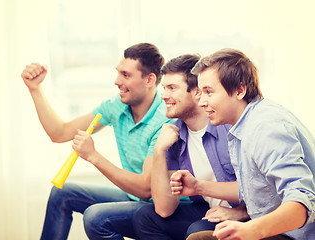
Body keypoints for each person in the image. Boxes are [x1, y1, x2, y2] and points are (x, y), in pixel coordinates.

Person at [21, 43, 173, 240]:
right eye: (118, 73)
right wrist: (35, 89)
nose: (117, 81)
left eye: (126, 75)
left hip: (161, 207)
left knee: (95, 217)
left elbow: (146, 189)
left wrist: (93, 156)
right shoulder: (117, 106)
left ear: (149, 79)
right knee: (61, 193)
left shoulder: (164, 118)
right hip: (133, 198)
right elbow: (60, 133)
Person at [171, 48, 315, 240]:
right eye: (200, 92)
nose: (202, 101)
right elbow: (257, 188)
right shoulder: (243, 125)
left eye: (209, 92)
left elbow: (303, 200)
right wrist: (198, 187)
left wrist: (252, 230)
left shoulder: (266, 127)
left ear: (240, 90)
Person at [133, 54, 249, 240]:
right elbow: (164, 208)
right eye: (164, 88)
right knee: (145, 218)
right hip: (213, 211)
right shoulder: (174, 134)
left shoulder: (228, 124)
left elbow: (261, 189)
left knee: (196, 231)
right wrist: (159, 151)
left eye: (172, 88)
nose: (163, 96)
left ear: (197, 92)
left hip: (250, 213)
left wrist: (241, 212)